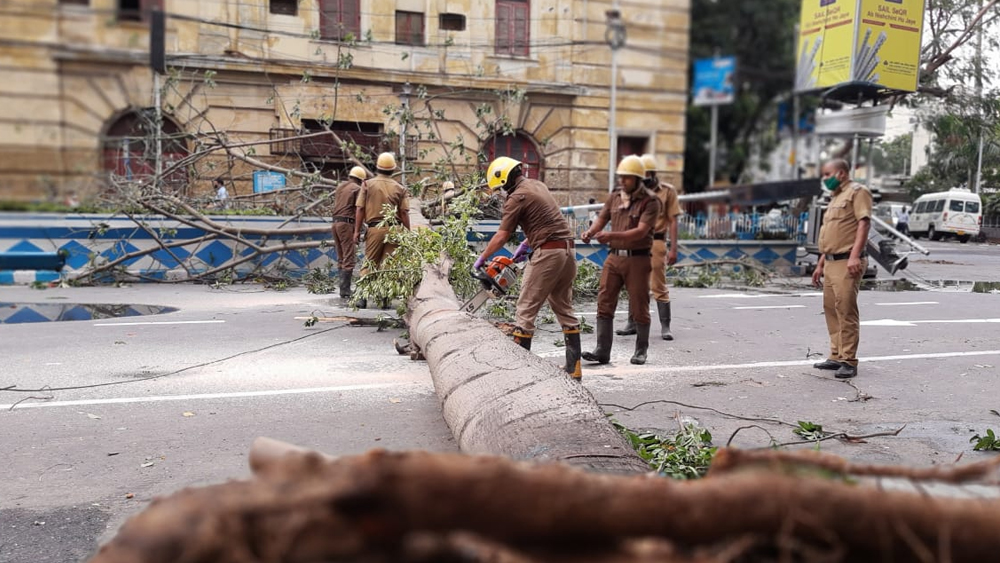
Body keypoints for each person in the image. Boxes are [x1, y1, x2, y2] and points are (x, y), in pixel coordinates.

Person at [475, 157, 582, 380]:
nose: (501, 192)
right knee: (564, 309)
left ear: (504, 180)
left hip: (548, 254)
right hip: (568, 251)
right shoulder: (538, 185)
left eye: (500, 187)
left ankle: (521, 374)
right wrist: (526, 244)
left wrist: (481, 258)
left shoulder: (516, 198)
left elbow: (502, 235)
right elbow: (548, 220)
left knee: (525, 310)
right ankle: (574, 368)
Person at [580, 155, 661, 365]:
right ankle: (602, 350)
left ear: (637, 179)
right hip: (614, 258)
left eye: (627, 178)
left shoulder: (650, 201)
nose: (622, 181)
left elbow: (641, 232)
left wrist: (610, 236)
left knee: (638, 305)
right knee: (604, 302)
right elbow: (602, 218)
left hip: (638, 260)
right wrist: (590, 232)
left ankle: (641, 350)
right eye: (621, 177)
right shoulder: (615, 197)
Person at [812, 158, 872, 379]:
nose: (825, 179)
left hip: (847, 261)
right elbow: (830, 234)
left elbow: (864, 223)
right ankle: (836, 355)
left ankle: (849, 360)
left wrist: (855, 256)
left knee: (845, 310)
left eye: (828, 175)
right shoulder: (836, 196)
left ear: (842, 173)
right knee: (831, 309)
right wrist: (820, 264)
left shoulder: (858, 192)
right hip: (830, 261)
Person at [616, 154, 683, 340]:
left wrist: (674, 249)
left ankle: (665, 326)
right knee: (634, 284)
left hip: (656, 242)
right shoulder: (633, 193)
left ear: (653, 174)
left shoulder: (667, 192)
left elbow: (673, 221)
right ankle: (632, 323)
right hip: (634, 243)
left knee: (657, 284)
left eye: (646, 175)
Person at [353, 152, 410, 308]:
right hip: (394, 229)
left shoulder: (367, 185)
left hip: (374, 229)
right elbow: (404, 213)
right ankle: (385, 299)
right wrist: (408, 233)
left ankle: (362, 298)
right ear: (393, 169)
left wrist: (357, 231)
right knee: (389, 264)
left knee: (370, 263)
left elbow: (359, 209)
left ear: (377, 167)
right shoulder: (400, 188)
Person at [331, 166, 366, 299]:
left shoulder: (340, 187)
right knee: (349, 257)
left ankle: (343, 290)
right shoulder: (357, 189)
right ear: (360, 180)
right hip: (346, 224)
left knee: (341, 256)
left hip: (335, 223)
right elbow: (360, 208)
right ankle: (345, 290)